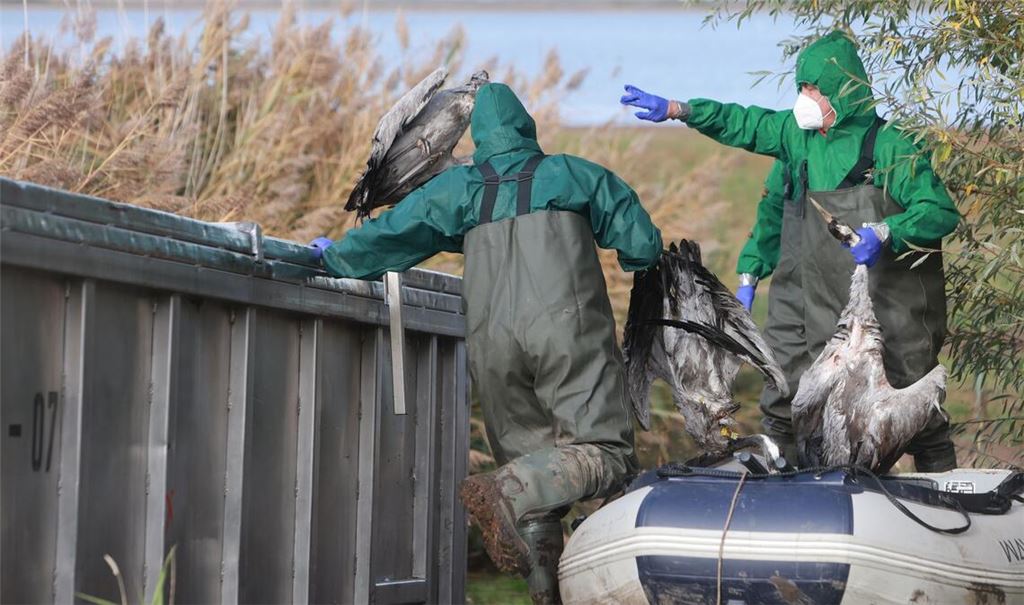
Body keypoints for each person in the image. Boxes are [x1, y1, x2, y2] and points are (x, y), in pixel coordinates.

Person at [311, 82, 662, 604]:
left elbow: (395, 233)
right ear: (527, 127)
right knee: (605, 453)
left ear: (477, 137)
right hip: (567, 335)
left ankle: (546, 591)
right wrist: (636, 262)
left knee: (537, 487)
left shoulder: (459, 189)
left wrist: (336, 257)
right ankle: (507, 488)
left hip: (493, 346)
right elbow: (641, 243)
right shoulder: (572, 174)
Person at [620, 30, 960, 471]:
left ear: (843, 90)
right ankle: (800, 484)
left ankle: (946, 486)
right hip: (812, 299)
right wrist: (678, 110)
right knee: (797, 399)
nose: (805, 98)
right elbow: (746, 126)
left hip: (888, 304)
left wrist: (886, 231)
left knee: (912, 402)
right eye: (802, 87)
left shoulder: (890, 146)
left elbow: (939, 211)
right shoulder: (796, 140)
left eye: (814, 89)